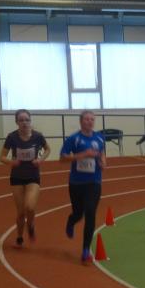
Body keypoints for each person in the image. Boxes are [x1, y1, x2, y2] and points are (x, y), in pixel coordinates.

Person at [60, 110, 107, 263]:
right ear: (81, 121)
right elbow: (62, 158)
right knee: (78, 214)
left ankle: (86, 250)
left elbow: (102, 154)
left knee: (90, 212)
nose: (89, 121)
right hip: (76, 183)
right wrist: (83, 155)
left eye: (92, 119)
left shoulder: (99, 138)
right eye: (86, 119)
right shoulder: (73, 139)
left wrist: (103, 163)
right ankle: (71, 220)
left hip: (94, 182)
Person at [0, 109, 50, 247]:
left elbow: (47, 149)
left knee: (30, 207)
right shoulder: (12, 137)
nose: (24, 123)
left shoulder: (38, 136)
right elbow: (2, 157)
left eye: (27, 120)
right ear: (17, 122)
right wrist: (12, 162)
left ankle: (31, 224)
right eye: (21, 120)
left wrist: (40, 160)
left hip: (33, 176)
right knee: (21, 212)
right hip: (17, 177)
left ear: (30, 121)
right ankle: (20, 237)